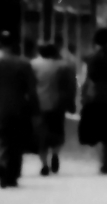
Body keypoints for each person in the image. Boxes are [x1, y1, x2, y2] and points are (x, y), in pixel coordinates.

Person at [0, 33, 38, 188]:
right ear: (14, 45)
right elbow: (32, 91)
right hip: (19, 108)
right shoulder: (24, 64)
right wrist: (36, 111)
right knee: (16, 142)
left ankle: (0, 164)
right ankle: (13, 174)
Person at [78, 30, 107, 175]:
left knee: (96, 130)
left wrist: (82, 96)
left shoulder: (89, 57)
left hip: (94, 97)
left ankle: (101, 161)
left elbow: (84, 79)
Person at [31, 42, 77, 176]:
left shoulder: (33, 65)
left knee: (41, 134)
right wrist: (71, 103)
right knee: (57, 131)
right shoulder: (64, 66)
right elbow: (71, 86)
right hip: (58, 104)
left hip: (38, 104)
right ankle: (55, 154)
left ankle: (44, 164)